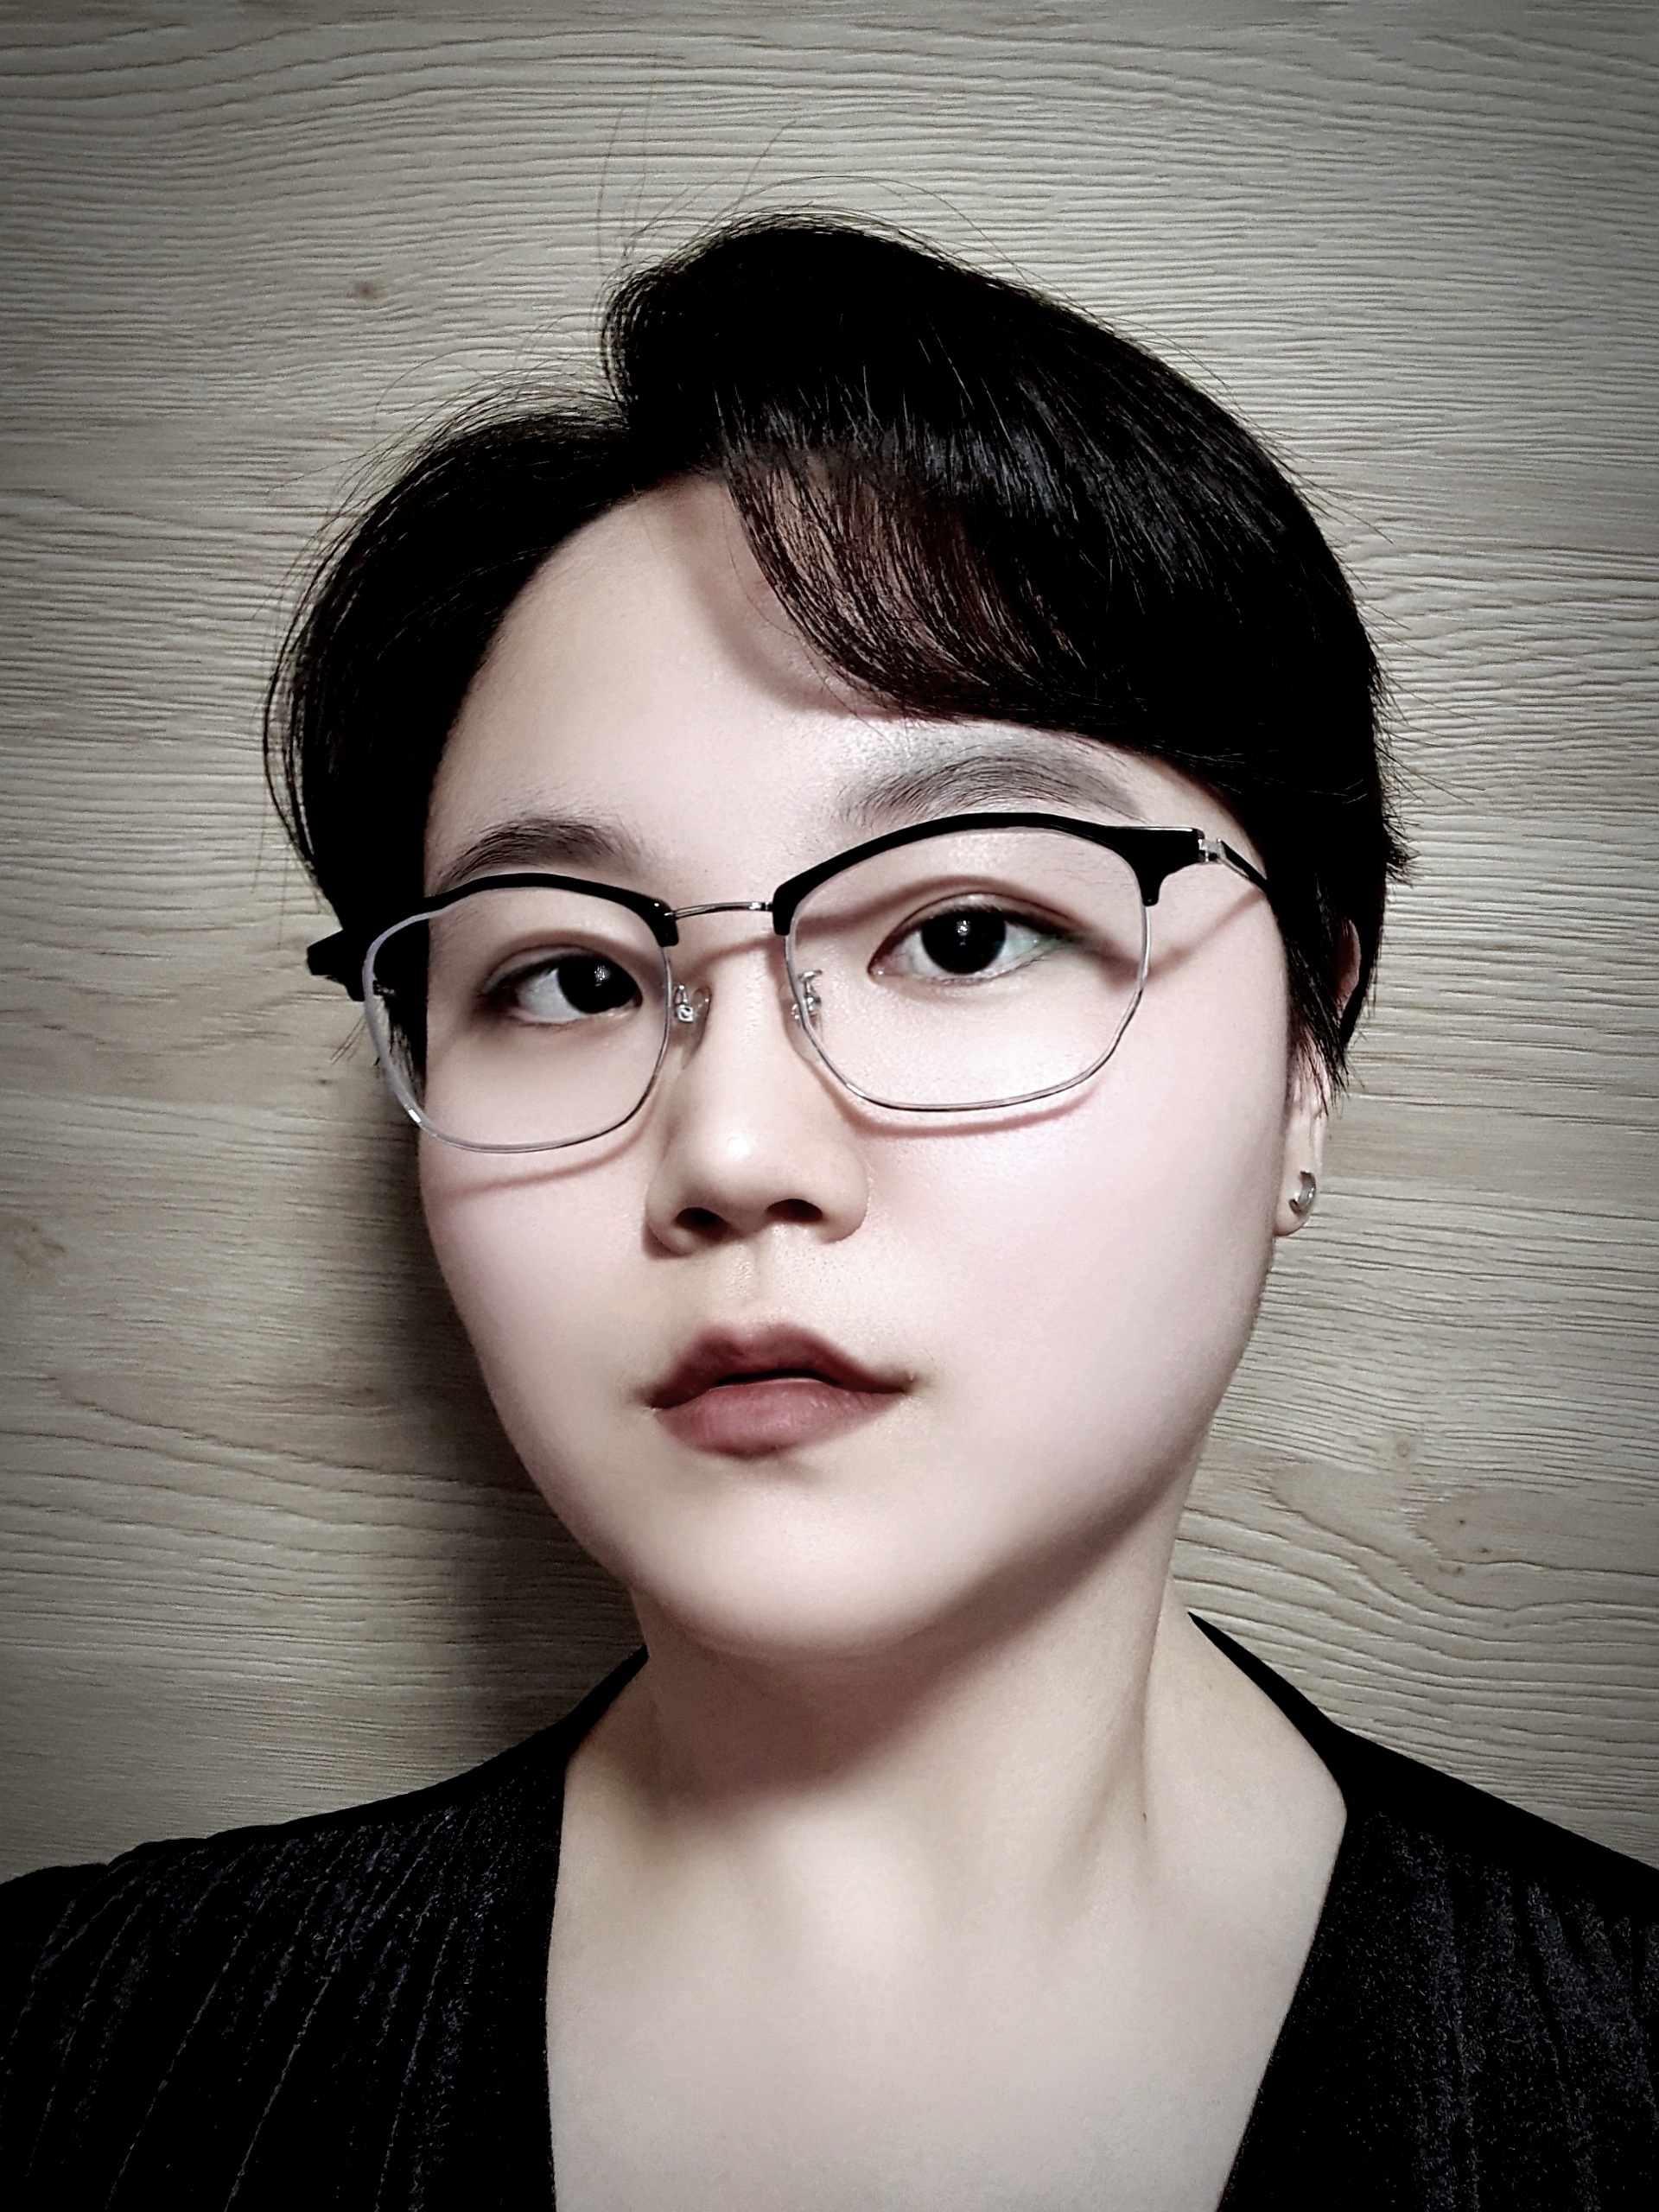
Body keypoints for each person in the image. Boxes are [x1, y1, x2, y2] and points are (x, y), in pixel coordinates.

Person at [2, 215, 1653, 2209]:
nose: (731, 1149)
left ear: (1310, 1042)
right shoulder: (71, 2051)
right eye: (569, 977)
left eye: (963, 930)